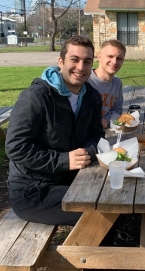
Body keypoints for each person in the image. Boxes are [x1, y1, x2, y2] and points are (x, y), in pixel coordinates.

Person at [5, 36, 105, 226]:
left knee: (114, 194)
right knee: (101, 210)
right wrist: (64, 160)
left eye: (87, 61)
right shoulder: (36, 96)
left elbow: (96, 135)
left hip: (74, 177)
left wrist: (87, 153)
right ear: (61, 61)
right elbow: (16, 147)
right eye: (74, 59)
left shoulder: (91, 96)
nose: (81, 67)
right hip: (33, 189)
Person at [87, 39, 126, 129]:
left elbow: (117, 109)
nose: (114, 62)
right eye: (110, 56)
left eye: (119, 58)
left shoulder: (117, 83)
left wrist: (106, 120)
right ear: (99, 57)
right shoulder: (86, 80)